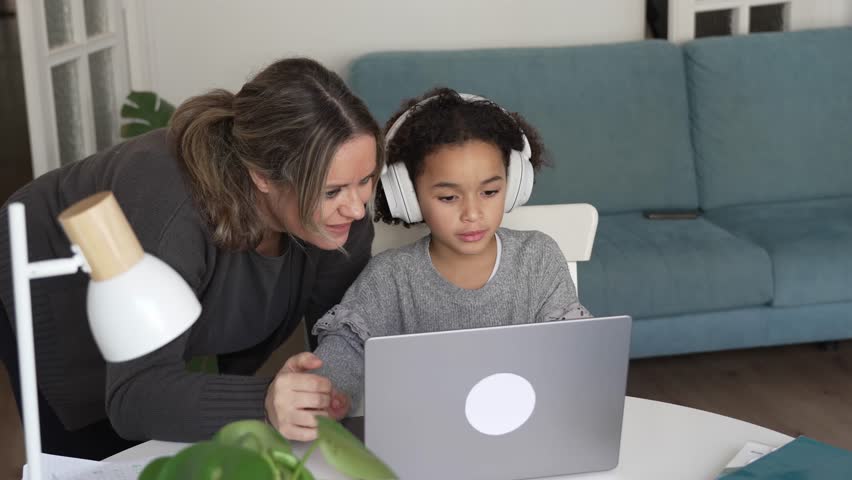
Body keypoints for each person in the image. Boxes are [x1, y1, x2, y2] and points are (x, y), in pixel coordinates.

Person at [0, 57, 382, 458]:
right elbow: (134, 395)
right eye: (332, 191)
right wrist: (265, 400)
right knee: (103, 453)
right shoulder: (172, 210)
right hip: (56, 278)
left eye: (365, 180)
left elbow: (340, 330)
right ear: (263, 176)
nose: (356, 209)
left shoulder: (343, 212)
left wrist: (327, 389)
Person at [309, 87, 591, 415]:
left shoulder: (537, 258)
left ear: (513, 187)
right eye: (448, 197)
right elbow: (346, 349)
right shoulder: (390, 277)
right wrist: (328, 393)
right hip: (421, 440)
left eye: (489, 191)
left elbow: (571, 351)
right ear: (409, 199)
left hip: (526, 428)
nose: (472, 213)